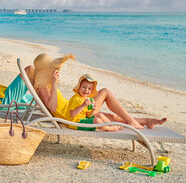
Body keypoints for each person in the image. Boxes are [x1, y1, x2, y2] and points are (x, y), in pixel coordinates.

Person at [34, 53, 167, 130]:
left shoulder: (46, 84)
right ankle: (132, 121)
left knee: (112, 117)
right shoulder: (43, 87)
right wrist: (52, 82)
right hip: (73, 117)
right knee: (105, 92)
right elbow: (52, 107)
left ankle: (146, 120)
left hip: (79, 111)